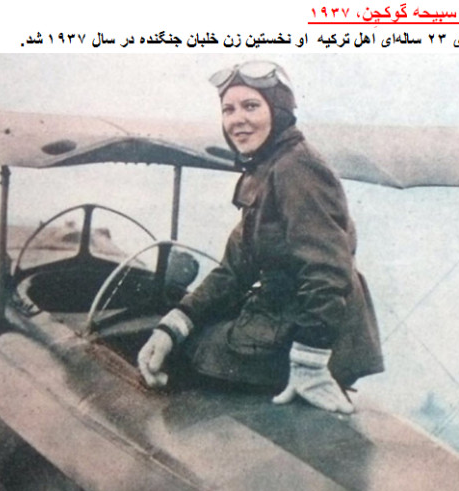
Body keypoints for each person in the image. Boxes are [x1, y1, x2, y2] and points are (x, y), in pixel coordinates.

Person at [138, 61, 383, 414]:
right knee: (186, 338)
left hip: (313, 337)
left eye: (251, 106)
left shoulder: (297, 167)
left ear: (278, 111)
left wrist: (310, 364)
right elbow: (234, 269)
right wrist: (173, 325)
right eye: (229, 109)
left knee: (195, 354)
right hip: (285, 316)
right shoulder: (268, 165)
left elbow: (328, 271)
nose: (237, 119)